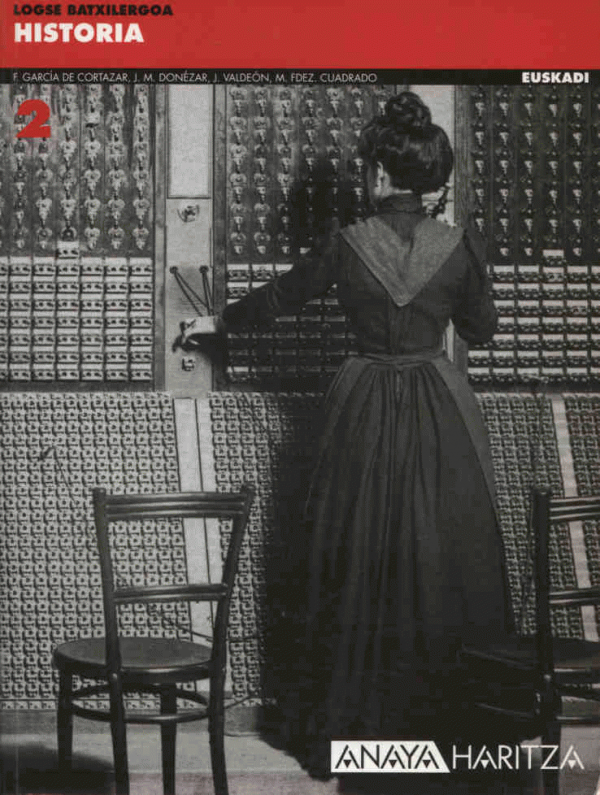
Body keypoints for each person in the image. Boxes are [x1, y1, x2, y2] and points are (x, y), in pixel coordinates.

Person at [181, 91, 513, 781]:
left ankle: (355, 732)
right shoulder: (457, 245)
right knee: (444, 557)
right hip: (441, 408)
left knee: (354, 555)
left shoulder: (347, 244)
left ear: (383, 176)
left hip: (360, 405)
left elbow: (280, 299)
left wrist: (217, 323)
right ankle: (445, 738)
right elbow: (482, 330)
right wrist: (461, 268)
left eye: (369, 170)